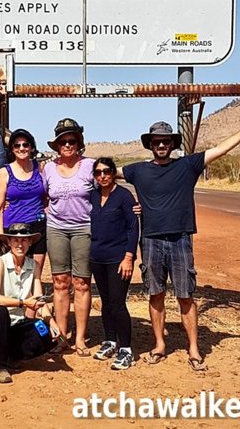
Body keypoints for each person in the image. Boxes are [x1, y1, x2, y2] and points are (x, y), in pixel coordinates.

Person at [122, 102, 240, 371]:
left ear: (172, 144)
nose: (161, 145)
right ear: (150, 144)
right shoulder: (137, 170)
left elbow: (222, 149)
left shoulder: (188, 165)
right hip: (150, 239)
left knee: (185, 295)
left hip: (180, 239)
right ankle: (160, 344)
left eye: (165, 141)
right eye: (157, 141)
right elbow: (103, 174)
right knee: (155, 294)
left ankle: (194, 349)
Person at [0, 223, 58, 384]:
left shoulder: (33, 266)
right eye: (16, 240)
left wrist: (52, 322)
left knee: (46, 333)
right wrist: (23, 302)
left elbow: (39, 299)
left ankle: (11, 355)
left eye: (24, 240)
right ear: (9, 242)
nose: (20, 244)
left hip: (16, 323)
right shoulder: (0, 262)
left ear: (30, 243)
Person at [42, 118, 95, 356]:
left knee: (82, 283)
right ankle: (62, 336)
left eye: (72, 140)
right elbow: (42, 196)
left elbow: (107, 189)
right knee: (60, 282)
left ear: (79, 143)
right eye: (63, 141)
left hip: (84, 228)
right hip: (56, 228)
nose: (67, 145)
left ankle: (81, 338)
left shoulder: (90, 166)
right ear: (56, 145)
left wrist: (131, 206)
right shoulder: (49, 168)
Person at [89, 157, 139, 370]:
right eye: (98, 172)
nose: (103, 176)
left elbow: (133, 228)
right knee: (106, 301)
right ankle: (110, 340)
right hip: (97, 258)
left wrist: (129, 257)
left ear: (113, 173)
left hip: (118, 259)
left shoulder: (124, 196)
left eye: (107, 171)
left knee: (118, 303)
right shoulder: (92, 196)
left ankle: (126, 349)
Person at [0, 128, 47, 272]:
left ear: (31, 147)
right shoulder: (4, 172)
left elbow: (46, 197)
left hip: (38, 228)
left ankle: (34, 295)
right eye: (17, 145)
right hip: (13, 229)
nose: (21, 148)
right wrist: (1, 236)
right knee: (14, 272)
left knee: (35, 273)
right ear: (12, 149)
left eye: (25, 144)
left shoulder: (40, 168)